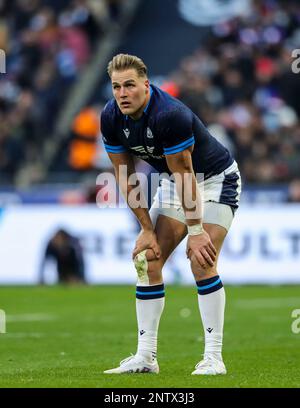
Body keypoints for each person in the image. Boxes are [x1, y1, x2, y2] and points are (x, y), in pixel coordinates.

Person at [101, 54, 241, 375]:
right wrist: (146, 229)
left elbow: (185, 174)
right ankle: (146, 357)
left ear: (146, 86)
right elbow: (125, 177)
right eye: (116, 87)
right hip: (174, 182)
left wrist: (196, 230)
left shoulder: (170, 115)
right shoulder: (110, 117)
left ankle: (213, 358)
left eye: (130, 86)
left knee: (201, 259)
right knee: (148, 259)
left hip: (215, 180)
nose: (122, 93)